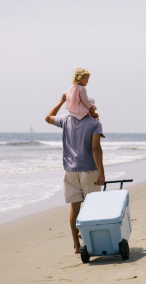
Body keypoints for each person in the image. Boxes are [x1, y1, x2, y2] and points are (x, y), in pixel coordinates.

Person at [45, 93, 105, 254]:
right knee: (91, 206)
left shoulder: (65, 120)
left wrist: (61, 100)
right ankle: (86, 236)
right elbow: (96, 148)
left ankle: (76, 247)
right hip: (88, 170)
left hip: (70, 170)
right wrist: (101, 172)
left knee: (75, 207)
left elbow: (48, 117)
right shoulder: (94, 124)